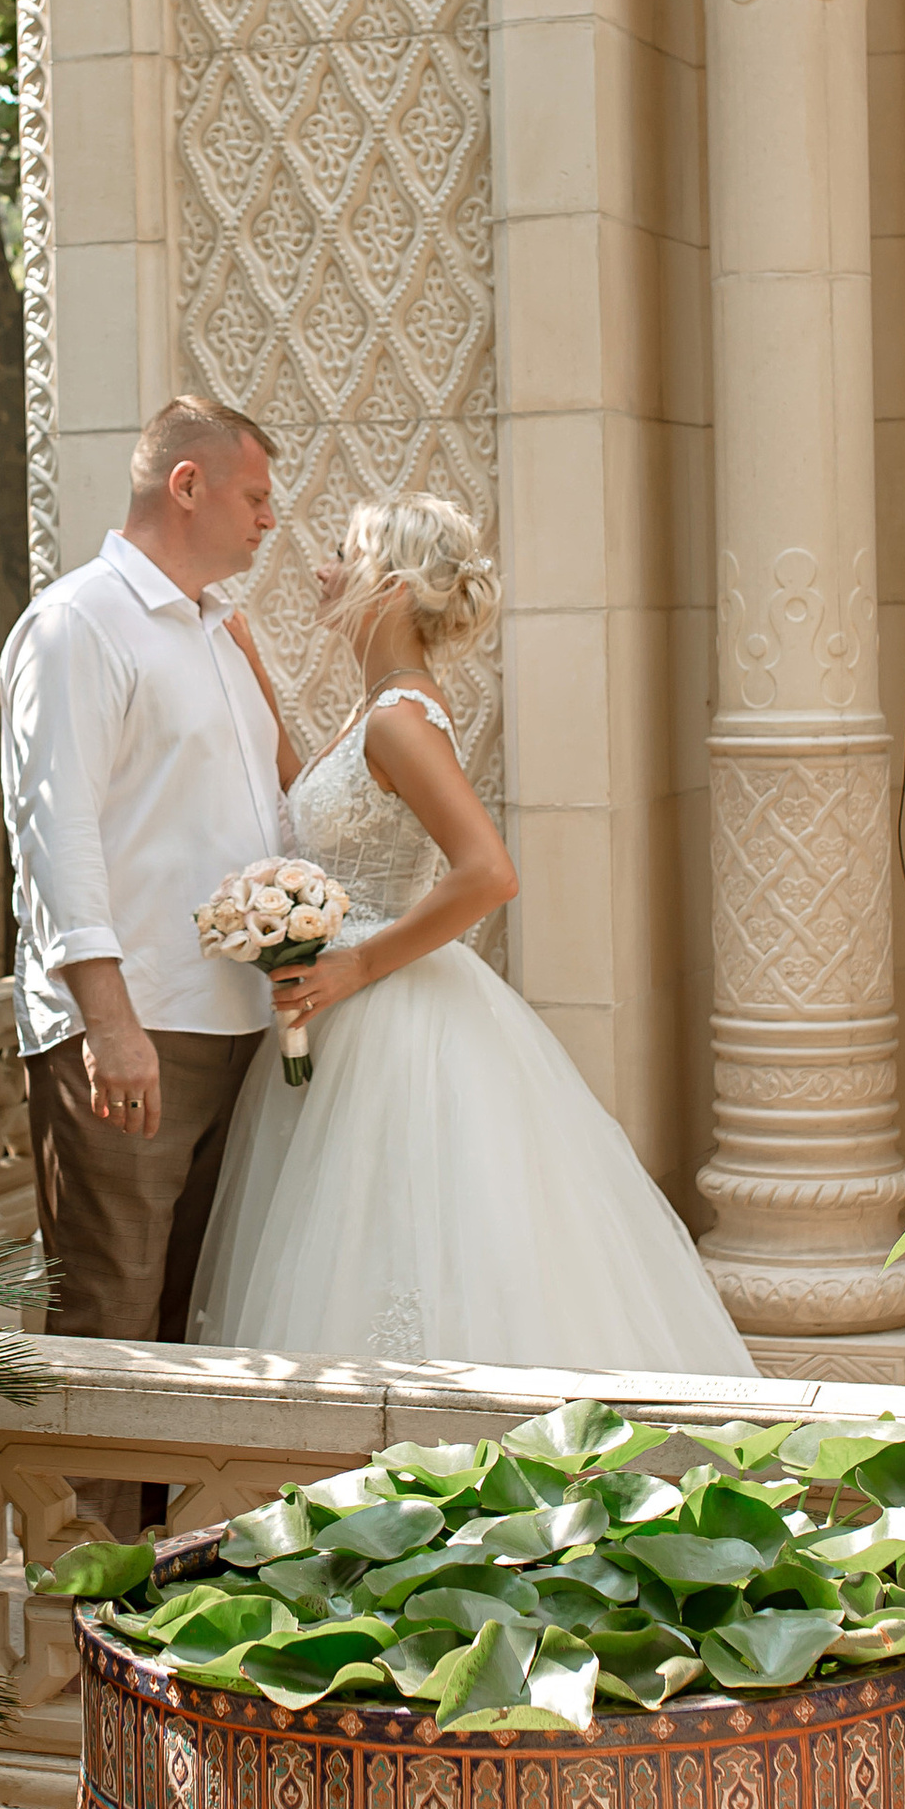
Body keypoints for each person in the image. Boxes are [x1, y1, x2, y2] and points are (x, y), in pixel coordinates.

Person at [190, 490, 754, 1376]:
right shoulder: (377, 709)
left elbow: (489, 872)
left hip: (390, 1010)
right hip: (350, 1012)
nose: (320, 569)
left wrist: (353, 967)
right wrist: (251, 673)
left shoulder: (401, 718)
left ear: (385, 585)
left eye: (342, 553)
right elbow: (313, 817)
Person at [0, 396, 287, 1344]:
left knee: (197, 1325)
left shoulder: (216, 631)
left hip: (234, 1025)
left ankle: (179, 1507)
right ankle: (87, 1505)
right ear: (186, 484)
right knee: (110, 1317)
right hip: (136, 1031)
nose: (269, 519)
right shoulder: (78, 623)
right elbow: (57, 832)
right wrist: (109, 1025)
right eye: (254, 495)